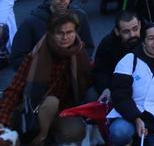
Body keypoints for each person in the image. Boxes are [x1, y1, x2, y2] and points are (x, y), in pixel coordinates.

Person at [0, 12, 93, 145]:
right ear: (50, 33)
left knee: (75, 131)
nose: (65, 37)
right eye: (60, 33)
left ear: (76, 32)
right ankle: (40, 138)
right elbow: (15, 89)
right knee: (51, 101)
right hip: (36, 108)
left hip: (65, 109)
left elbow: (89, 81)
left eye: (69, 32)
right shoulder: (36, 56)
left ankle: (52, 133)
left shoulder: (79, 53)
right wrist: (2, 121)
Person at [107, 21, 154, 146]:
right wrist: (136, 118)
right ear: (143, 41)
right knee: (119, 132)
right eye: (150, 38)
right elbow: (120, 96)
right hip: (130, 114)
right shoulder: (129, 60)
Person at [10, 0, 95, 70]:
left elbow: (87, 47)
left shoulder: (80, 16)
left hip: (72, 72)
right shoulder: (31, 22)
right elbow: (17, 58)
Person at [92, 11, 143, 101]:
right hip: (117, 86)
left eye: (135, 29)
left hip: (146, 84)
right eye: (126, 32)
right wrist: (105, 88)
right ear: (117, 31)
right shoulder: (107, 44)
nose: (132, 35)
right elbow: (101, 71)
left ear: (140, 25)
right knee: (91, 96)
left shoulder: (149, 37)